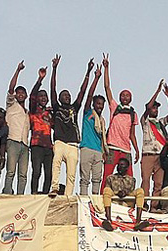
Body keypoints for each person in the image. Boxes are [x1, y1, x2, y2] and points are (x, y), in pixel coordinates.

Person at [48, 56, 92, 197]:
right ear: (60, 99)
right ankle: (54, 188)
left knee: (71, 173)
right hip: (60, 142)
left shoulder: (74, 108)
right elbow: (53, 89)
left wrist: (88, 72)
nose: (67, 97)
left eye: (68, 95)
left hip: (73, 145)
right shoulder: (56, 107)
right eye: (64, 95)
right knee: (56, 165)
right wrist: (54, 69)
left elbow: (82, 92)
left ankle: (68, 195)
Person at [100, 54, 139, 183]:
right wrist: (106, 68)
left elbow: (132, 134)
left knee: (129, 177)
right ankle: (102, 197)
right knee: (107, 174)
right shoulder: (114, 107)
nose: (125, 97)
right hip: (112, 147)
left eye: (127, 96)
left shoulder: (133, 113)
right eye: (123, 95)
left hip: (126, 148)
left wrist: (137, 149)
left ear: (131, 98)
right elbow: (107, 87)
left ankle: (127, 201)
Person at [140, 80, 168, 200]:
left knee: (158, 183)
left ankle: (154, 206)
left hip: (160, 155)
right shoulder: (145, 121)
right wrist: (157, 91)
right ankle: (143, 204)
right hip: (148, 154)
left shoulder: (160, 122)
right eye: (153, 108)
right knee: (145, 180)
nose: (155, 110)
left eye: (156, 108)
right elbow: (148, 107)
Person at [4, 60, 31, 195]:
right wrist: (18, 70)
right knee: (10, 171)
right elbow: (10, 88)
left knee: (23, 173)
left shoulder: (27, 112)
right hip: (13, 140)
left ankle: (20, 195)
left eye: (22, 93)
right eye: (18, 93)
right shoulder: (11, 105)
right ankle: (7, 192)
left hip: (24, 144)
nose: (20, 95)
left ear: (26, 96)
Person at [79, 65, 106, 195]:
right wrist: (96, 77)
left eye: (102, 104)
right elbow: (89, 95)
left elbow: (103, 139)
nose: (100, 106)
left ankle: (94, 202)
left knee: (97, 179)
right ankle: (84, 200)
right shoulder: (88, 113)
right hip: (86, 148)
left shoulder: (102, 122)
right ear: (94, 104)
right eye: (98, 103)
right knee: (85, 179)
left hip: (98, 151)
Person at [101, 157, 146, 232]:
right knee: (106, 190)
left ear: (127, 167)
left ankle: (138, 221)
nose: (119, 167)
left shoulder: (132, 179)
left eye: (122, 165)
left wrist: (126, 192)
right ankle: (108, 220)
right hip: (115, 200)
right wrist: (117, 193)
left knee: (140, 191)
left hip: (127, 201)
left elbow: (131, 190)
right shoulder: (110, 178)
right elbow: (108, 191)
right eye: (118, 165)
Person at [28, 67, 53, 195]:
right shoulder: (33, 110)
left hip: (49, 146)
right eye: (41, 96)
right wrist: (40, 79)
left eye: (45, 96)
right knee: (36, 171)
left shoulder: (50, 113)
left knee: (49, 173)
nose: (43, 98)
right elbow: (32, 96)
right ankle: (33, 193)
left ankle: (45, 194)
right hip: (36, 145)